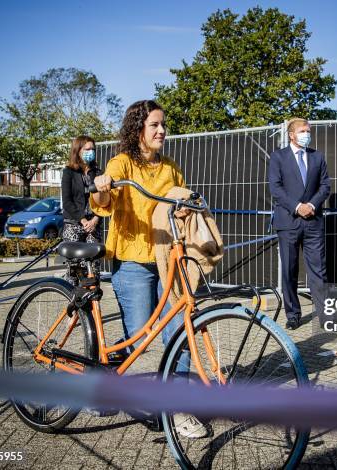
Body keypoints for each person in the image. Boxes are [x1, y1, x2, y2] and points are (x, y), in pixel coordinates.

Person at [91, 99, 206, 437]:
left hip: (167, 257)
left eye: (163, 125)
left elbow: (179, 205)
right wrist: (100, 189)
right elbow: (103, 203)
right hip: (133, 260)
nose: (161, 130)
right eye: (154, 125)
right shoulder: (122, 163)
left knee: (178, 332)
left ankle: (179, 407)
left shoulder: (171, 168)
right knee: (137, 335)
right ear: (137, 129)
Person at [268, 118, 331, 330]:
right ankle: (293, 314)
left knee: (318, 270)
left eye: (309, 131)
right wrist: (297, 207)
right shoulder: (278, 157)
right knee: (289, 270)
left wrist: (311, 205)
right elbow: (276, 189)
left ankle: (324, 316)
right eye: (303, 131)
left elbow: (325, 186)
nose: (307, 134)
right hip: (288, 222)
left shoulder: (317, 157)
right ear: (292, 135)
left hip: (313, 221)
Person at [61, 135, 102, 282]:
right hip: (74, 224)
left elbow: (105, 201)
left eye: (93, 149)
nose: (91, 152)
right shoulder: (69, 172)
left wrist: (95, 219)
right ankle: (73, 300)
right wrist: (83, 220)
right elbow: (67, 201)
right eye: (87, 149)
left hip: (94, 225)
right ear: (78, 151)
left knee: (93, 269)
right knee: (74, 269)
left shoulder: (98, 173)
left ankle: (92, 302)